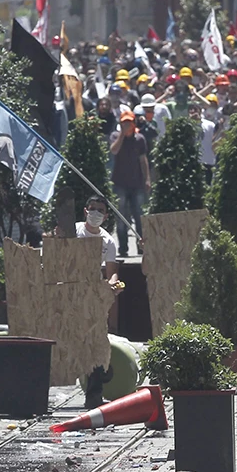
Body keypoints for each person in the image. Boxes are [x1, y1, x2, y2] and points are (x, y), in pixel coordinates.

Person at [76, 194, 124, 408]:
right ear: (86, 210)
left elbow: (112, 273)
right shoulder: (74, 232)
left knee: (96, 343)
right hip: (68, 292)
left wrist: (112, 285)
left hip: (92, 296)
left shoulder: (108, 241)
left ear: (105, 217)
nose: (95, 213)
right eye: (92, 208)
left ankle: (94, 395)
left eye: (100, 211)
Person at [109, 110, 149, 258]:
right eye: (124, 122)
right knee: (122, 217)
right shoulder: (115, 136)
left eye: (129, 122)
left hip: (136, 183)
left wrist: (147, 179)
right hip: (119, 183)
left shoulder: (140, 139)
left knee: (139, 216)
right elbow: (113, 151)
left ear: (134, 123)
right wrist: (121, 135)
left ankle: (141, 246)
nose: (127, 125)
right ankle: (123, 248)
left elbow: (143, 160)